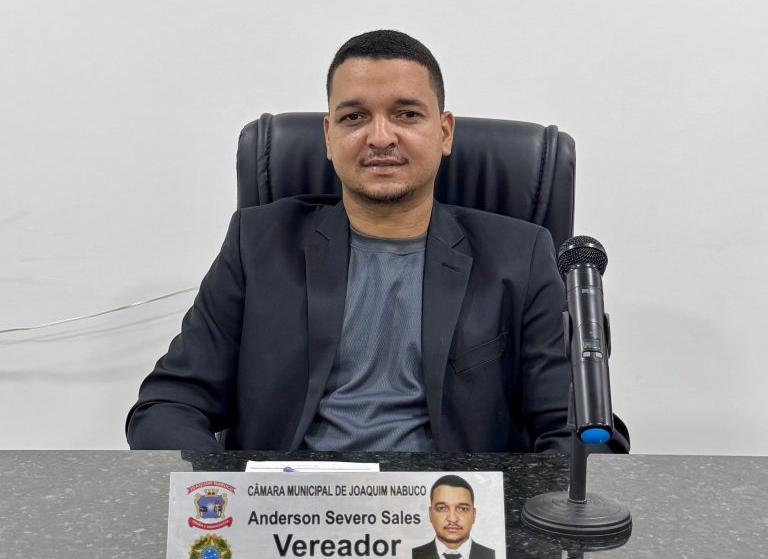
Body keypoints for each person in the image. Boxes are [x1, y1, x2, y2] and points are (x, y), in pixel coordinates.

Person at [126, 29, 629, 454]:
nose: (381, 137)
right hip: (292, 517)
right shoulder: (258, 243)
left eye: (406, 114)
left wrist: (519, 517)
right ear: (328, 136)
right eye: (354, 117)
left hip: (449, 520)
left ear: (445, 132)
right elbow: (168, 405)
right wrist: (229, 500)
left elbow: (577, 428)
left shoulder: (520, 255)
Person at [411, 475, 496, 559]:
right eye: (441, 508)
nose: (452, 518)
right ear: (430, 514)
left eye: (462, 509)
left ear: (474, 515)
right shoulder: (411, 558)